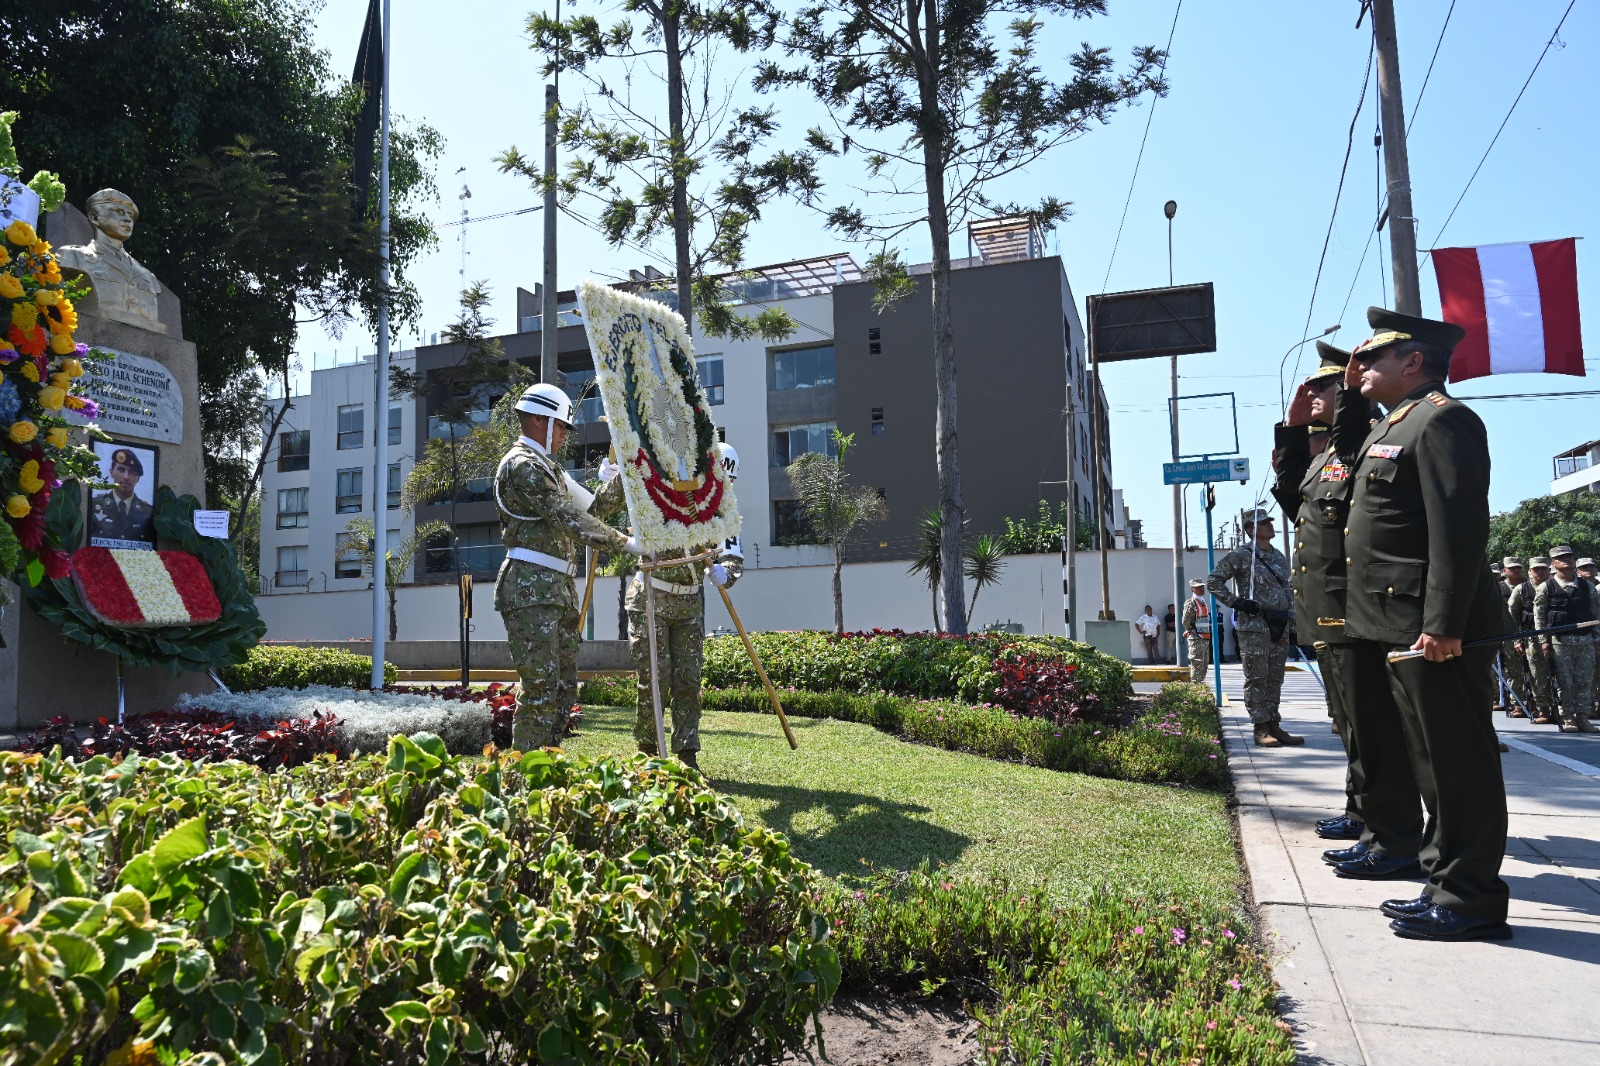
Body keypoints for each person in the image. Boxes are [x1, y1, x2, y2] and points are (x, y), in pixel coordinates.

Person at [1334, 305, 1511, 942]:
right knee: (1430, 762)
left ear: (1413, 362)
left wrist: (1442, 623)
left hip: (1432, 630)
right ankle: (1445, 883)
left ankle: (1471, 899)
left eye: (1374, 357)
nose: (1360, 368)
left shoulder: (1443, 421)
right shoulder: (1397, 425)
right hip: (1400, 626)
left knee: (1458, 761)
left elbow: (1457, 533)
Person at [1275, 341, 1420, 849]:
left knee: (1370, 724)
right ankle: (1365, 811)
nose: (1312, 393)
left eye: (1323, 386)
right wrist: (1292, 430)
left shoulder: (1362, 446)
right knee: (1349, 720)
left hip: (1353, 606)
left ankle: (1384, 825)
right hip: (1327, 608)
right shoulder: (1329, 458)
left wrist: (1350, 403)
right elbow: (1295, 498)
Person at [494, 384, 638, 751]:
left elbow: (591, 511)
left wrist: (622, 477)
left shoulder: (550, 469)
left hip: (556, 589)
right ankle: (526, 780)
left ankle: (550, 772)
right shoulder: (522, 466)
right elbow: (569, 518)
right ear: (540, 420)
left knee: (562, 691)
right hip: (530, 588)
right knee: (540, 689)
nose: (563, 435)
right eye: (561, 426)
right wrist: (626, 543)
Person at [602, 441, 744, 770]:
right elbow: (639, 495)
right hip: (651, 596)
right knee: (655, 676)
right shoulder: (673, 490)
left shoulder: (725, 514)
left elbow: (733, 558)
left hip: (689, 603)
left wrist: (728, 572)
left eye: (728, 483)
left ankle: (687, 755)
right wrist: (616, 475)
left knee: (688, 680)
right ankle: (648, 751)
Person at [1208, 507, 1301, 746]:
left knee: (1275, 678)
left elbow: (1288, 591)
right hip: (1255, 626)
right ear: (1250, 529)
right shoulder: (1242, 555)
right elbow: (1214, 581)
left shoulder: (1279, 556)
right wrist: (1237, 602)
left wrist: (1293, 625)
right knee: (1257, 677)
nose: (1270, 525)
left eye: (1270, 521)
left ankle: (1274, 725)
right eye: (1264, 522)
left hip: (1278, 625)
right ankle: (1260, 728)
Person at [1534, 545, 1597, 733]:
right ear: (1553, 563)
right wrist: (1543, 641)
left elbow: (1595, 612)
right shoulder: (1547, 586)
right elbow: (1540, 616)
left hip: (1585, 640)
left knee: (1585, 681)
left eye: (1569, 556)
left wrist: (1597, 637)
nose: (1566, 559)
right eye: (1561, 557)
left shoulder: (1587, 586)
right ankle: (1568, 718)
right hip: (1559, 641)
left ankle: (1583, 718)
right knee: (1564, 681)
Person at [1516, 557, 1558, 724]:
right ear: (1530, 571)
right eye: (1536, 569)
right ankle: (1544, 709)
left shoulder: (1556, 586)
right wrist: (1517, 639)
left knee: (1558, 674)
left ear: (1549, 569)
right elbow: (1513, 615)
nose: (1540, 571)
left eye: (1543, 568)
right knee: (1537, 674)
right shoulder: (1522, 589)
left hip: (1556, 637)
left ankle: (1560, 709)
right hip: (1532, 638)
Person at [1497, 559, 1537, 719]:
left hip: (1529, 633)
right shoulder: (1499, 588)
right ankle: (1517, 704)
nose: (1516, 571)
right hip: (1509, 635)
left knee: (1534, 671)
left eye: (1518, 568)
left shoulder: (1528, 587)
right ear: (1504, 571)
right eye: (1512, 568)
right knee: (1515, 671)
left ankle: (1535, 703)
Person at [91, 448, 154, 542]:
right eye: (121, 470)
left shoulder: (148, 512)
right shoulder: (94, 505)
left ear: (138, 478)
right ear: (111, 472)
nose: (126, 477)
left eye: (132, 472)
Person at [1180, 579, 1212, 683]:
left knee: (1204, 664)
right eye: (1198, 587)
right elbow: (1186, 620)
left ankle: (1200, 687)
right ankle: (1195, 688)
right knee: (1197, 663)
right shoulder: (1191, 603)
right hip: (1196, 637)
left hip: (1205, 637)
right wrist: (1190, 629)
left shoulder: (1203, 601)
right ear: (1192, 589)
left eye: (1202, 587)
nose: (1202, 589)